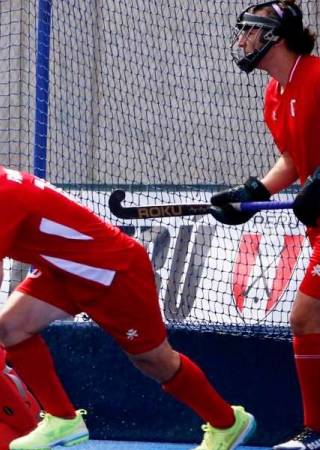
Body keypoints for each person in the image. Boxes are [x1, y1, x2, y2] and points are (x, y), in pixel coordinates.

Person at [0, 129, 257, 450]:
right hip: (63, 272)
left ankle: (227, 422)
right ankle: (64, 421)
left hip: (111, 273)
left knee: (155, 362)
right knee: (10, 327)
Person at [212, 2, 320, 448]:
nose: (241, 41)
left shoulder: (318, 77)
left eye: (249, 32)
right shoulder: (275, 94)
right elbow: (294, 161)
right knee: (308, 319)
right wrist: (253, 193)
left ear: (275, 36)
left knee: (305, 316)